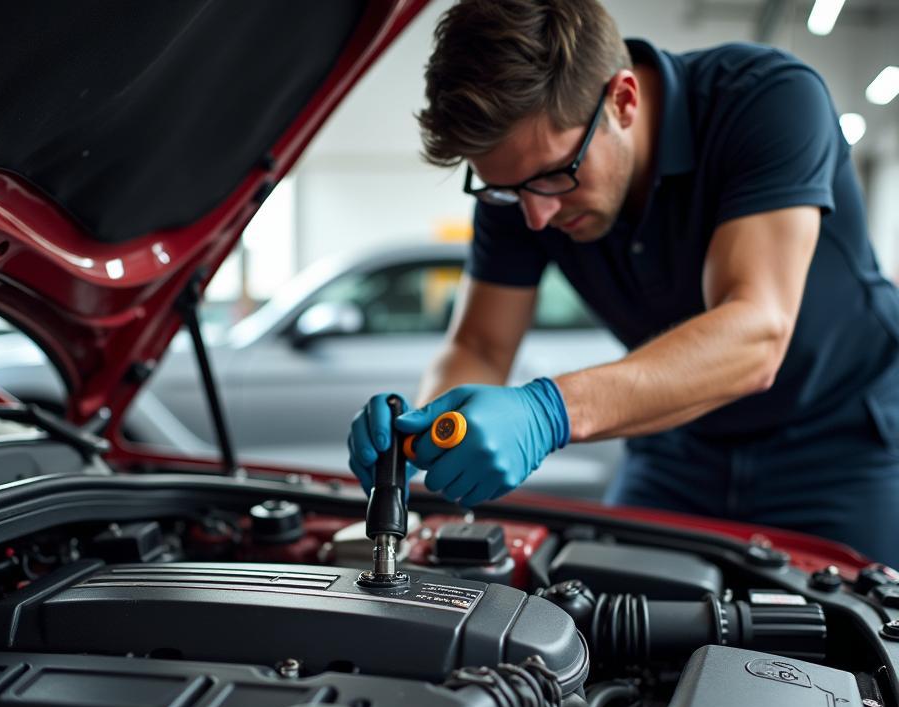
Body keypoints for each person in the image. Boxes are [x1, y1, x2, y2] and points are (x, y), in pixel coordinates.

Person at [347, 0, 899, 565]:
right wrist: (430, 432)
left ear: (624, 100)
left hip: (841, 442)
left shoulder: (768, 100)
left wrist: (548, 412)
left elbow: (755, 333)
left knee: (867, 639)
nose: (536, 216)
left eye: (557, 176)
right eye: (510, 191)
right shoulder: (521, 186)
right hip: (677, 444)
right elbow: (480, 344)